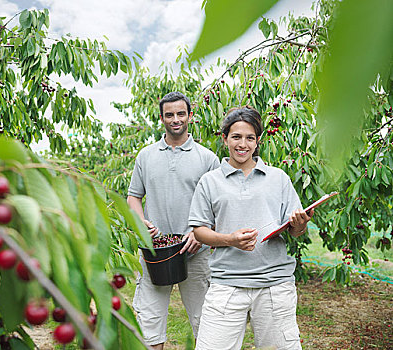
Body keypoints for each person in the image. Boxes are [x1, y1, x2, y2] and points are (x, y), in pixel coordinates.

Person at [188, 106, 314, 350]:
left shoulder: (278, 178)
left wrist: (299, 225)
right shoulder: (210, 181)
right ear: (224, 139)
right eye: (236, 137)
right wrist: (230, 239)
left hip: (274, 286)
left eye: (250, 138)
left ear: (258, 142)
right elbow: (199, 231)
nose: (242, 144)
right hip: (226, 285)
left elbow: (296, 231)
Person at [127, 91, 220, 349]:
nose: (175, 119)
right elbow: (133, 197)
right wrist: (141, 222)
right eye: (169, 115)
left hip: (195, 250)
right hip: (155, 250)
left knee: (206, 322)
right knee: (150, 322)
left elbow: (219, 205)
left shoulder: (207, 158)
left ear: (190, 116)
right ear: (162, 119)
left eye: (181, 114)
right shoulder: (146, 156)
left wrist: (202, 231)